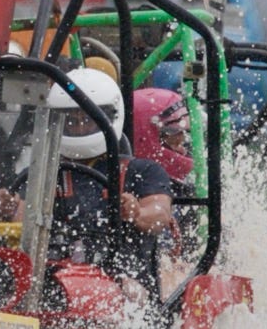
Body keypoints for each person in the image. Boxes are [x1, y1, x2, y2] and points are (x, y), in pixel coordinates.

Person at [32, 67, 178, 305]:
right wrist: (12, 209)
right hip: (56, 282)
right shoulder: (42, 175)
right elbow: (19, 220)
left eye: (87, 120)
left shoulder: (143, 172)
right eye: (72, 120)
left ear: (109, 117)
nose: (79, 127)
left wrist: (138, 213)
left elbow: (160, 214)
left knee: (121, 294)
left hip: (125, 285)